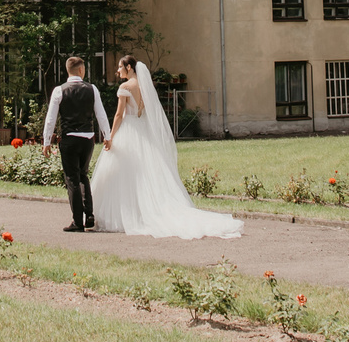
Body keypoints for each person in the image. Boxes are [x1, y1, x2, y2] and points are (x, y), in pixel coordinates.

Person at [88, 55, 242, 239]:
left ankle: (124, 215)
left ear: (129, 67)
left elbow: (119, 115)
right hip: (142, 133)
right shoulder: (144, 87)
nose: (117, 71)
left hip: (128, 131)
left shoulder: (125, 87)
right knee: (144, 174)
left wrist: (110, 136)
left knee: (122, 173)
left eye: (120, 67)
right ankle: (143, 210)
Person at [41, 56, 113, 233]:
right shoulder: (92, 89)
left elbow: (51, 119)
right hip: (88, 138)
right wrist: (107, 135)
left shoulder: (59, 90)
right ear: (81, 70)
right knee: (83, 175)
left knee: (72, 179)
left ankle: (77, 221)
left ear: (68, 70)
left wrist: (46, 140)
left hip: (69, 138)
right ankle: (89, 214)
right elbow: (101, 114)